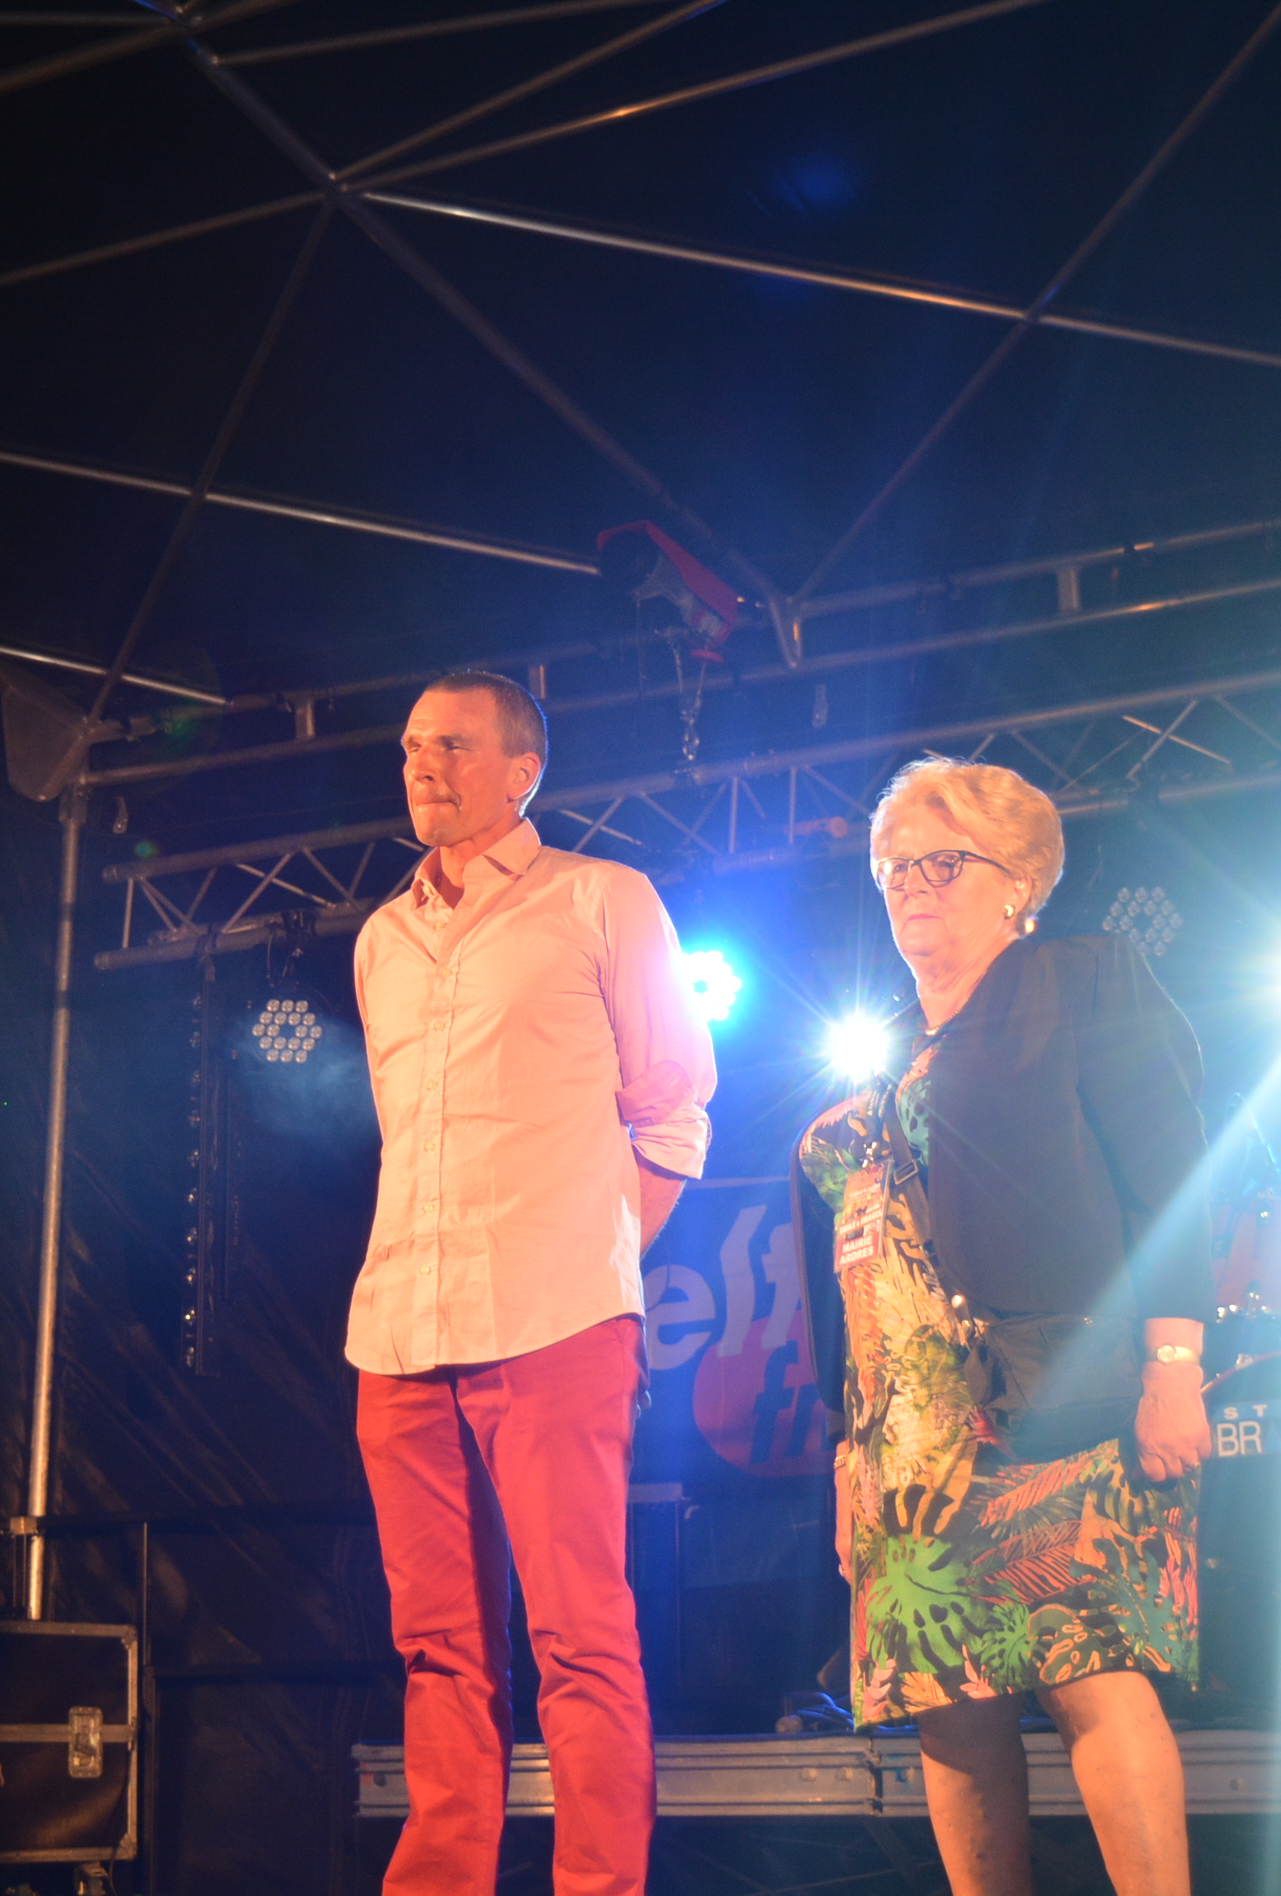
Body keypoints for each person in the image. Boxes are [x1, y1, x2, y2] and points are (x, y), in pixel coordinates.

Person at [797, 759, 1207, 1896]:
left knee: (1089, 1668)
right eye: (894, 868)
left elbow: (1174, 1178)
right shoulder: (885, 1046)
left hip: (1048, 1390)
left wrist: (1174, 1364)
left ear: (1019, 880)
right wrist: (847, 1446)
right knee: (948, 1705)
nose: (910, 886)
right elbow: (852, 1275)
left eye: (942, 863)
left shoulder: (1076, 979)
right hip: (902, 1438)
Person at [347, 672, 717, 1896]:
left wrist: (595, 1254)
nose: (423, 762)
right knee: (436, 1647)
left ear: (522, 771)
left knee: (578, 1636)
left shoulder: (602, 898)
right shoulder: (381, 938)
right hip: (398, 1330)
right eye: (412, 744)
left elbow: (674, 1112)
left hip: (556, 1321)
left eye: (453, 743)